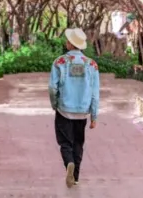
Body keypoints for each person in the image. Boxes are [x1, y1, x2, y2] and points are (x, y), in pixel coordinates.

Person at [48, 27, 100, 188]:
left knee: (65, 143)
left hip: (64, 110)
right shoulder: (92, 65)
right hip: (82, 112)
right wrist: (94, 115)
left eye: (68, 40)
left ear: (71, 44)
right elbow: (94, 93)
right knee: (78, 143)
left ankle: (69, 162)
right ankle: (75, 176)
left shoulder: (59, 62)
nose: (66, 41)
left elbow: (52, 87)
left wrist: (54, 104)